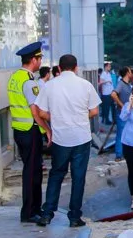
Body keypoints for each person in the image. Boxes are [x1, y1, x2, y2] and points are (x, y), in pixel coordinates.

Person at [34, 53, 101, 227]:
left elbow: (40, 112)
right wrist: (78, 116)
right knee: (78, 177)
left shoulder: (49, 86)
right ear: (76, 67)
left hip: (60, 138)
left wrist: (56, 118)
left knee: (56, 175)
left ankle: (47, 214)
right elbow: (94, 111)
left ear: (59, 68)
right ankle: (74, 217)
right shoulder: (85, 85)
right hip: (81, 137)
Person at [7, 41, 48, 225]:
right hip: (30, 131)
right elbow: (35, 111)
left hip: (19, 131)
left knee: (30, 171)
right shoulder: (29, 82)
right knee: (33, 174)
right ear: (33, 59)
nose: (40, 62)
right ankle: (31, 212)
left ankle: (31, 211)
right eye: (40, 58)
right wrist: (47, 130)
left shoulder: (15, 77)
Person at [110, 66, 133, 162]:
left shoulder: (128, 84)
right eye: (130, 71)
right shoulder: (121, 83)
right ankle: (119, 154)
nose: (131, 73)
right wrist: (122, 105)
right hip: (122, 113)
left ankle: (126, 153)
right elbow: (113, 94)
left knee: (127, 133)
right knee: (121, 133)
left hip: (128, 112)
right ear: (127, 73)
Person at [98, 62, 115, 127]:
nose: (110, 67)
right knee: (106, 108)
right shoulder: (103, 74)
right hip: (105, 94)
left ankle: (113, 120)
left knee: (112, 107)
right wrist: (107, 81)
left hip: (110, 93)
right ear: (105, 67)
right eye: (109, 66)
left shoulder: (109, 74)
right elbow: (100, 82)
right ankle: (106, 120)